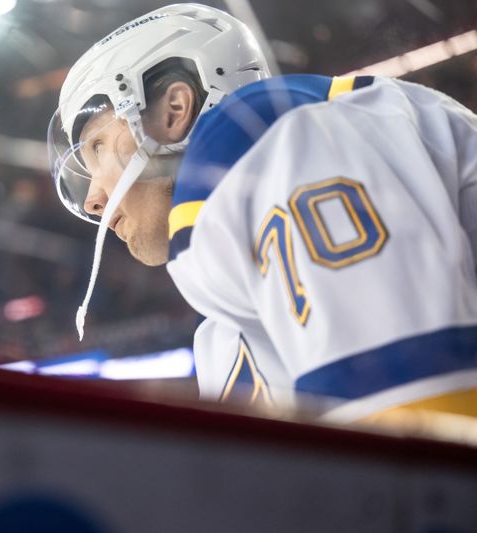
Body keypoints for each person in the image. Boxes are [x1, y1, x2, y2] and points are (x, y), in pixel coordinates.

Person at [47, 3, 477, 423]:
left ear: (173, 112)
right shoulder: (219, 331)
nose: (92, 200)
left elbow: (419, 447)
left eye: (97, 148)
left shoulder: (267, 133)